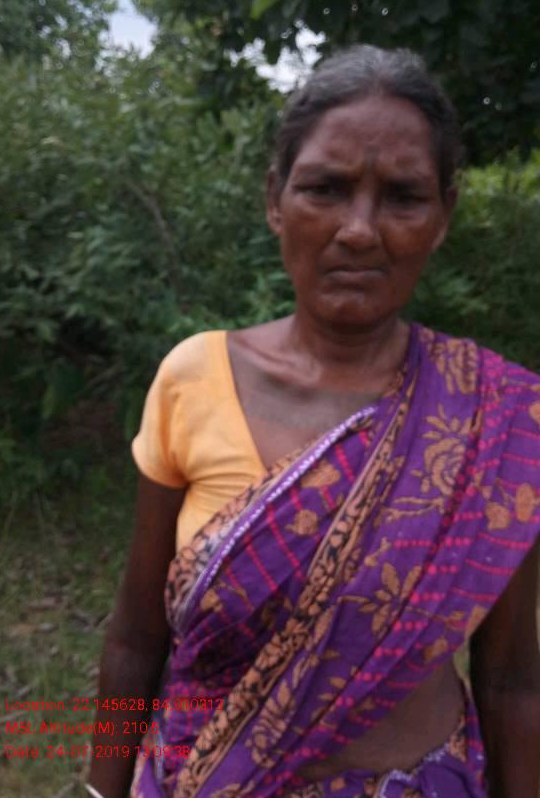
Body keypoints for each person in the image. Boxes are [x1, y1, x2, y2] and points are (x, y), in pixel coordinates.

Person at [86, 45, 540, 798]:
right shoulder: (194, 378)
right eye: (326, 188)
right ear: (276, 198)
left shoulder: (494, 421)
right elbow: (136, 640)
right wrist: (102, 790)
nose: (359, 230)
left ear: (443, 216)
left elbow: (513, 682)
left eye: (403, 196)